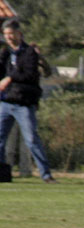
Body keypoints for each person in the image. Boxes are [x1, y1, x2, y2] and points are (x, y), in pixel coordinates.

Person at [0, 19, 55, 183]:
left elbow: (30, 75)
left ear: (19, 33)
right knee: (0, 139)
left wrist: (10, 78)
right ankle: (2, 173)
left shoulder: (29, 53)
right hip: (5, 102)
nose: (9, 37)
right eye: (6, 34)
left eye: (11, 33)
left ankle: (46, 174)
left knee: (31, 139)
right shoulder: (5, 53)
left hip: (24, 103)